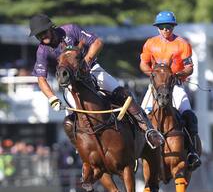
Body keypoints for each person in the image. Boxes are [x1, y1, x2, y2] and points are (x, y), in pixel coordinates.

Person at [28, 14, 163, 149]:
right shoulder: (42, 51)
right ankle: (80, 150)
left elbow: (97, 42)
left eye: (43, 32)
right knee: (70, 123)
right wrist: (52, 98)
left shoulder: (70, 30)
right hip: (71, 83)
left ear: (51, 28)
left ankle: (149, 131)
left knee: (123, 94)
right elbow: (41, 78)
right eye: (38, 35)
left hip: (91, 70)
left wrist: (85, 62)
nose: (41, 37)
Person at [139, 11, 201, 169]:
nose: (165, 30)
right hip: (155, 87)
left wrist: (176, 75)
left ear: (173, 27)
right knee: (139, 117)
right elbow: (143, 64)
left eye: (169, 27)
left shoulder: (182, 43)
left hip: (176, 86)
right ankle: (136, 154)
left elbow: (189, 68)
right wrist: (153, 74)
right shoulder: (150, 43)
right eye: (162, 27)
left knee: (189, 115)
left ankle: (192, 152)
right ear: (157, 28)